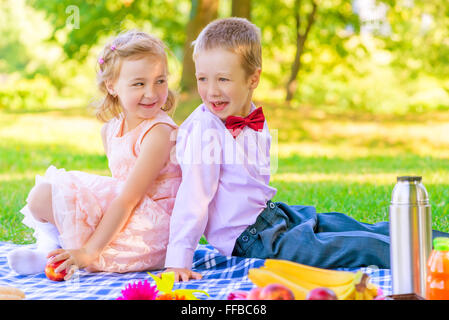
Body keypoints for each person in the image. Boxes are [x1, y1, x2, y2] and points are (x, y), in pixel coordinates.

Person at [162, 17, 448, 282]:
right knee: (357, 246)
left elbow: (254, 182)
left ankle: (441, 242)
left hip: (273, 216)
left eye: (223, 79)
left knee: (350, 225)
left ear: (253, 79)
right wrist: (178, 260)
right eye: (202, 79)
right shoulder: (203, 130)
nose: (211, 90)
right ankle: (436, 260)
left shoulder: (251, 116)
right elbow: (192, 200)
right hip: (254, 242)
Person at [7, 30, 182, 280]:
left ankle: (66, 252)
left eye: (160, 81)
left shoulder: (159, 132)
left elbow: (128, 198)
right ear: (112, 86)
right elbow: (117, 192)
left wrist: (90, 251)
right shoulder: (110, 130)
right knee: (43, 197)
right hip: (130, 212)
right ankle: (49, 251)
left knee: (48, 195)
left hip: (154, 232)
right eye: (139, 83)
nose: (152, 93)